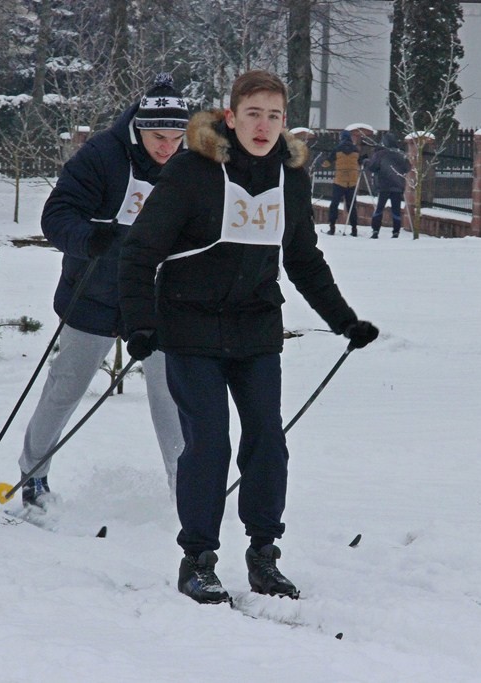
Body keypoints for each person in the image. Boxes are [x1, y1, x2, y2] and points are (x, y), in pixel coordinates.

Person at [118, 70, 379, 605]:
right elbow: (140, 253)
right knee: (209, 444)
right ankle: (198, 560)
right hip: (189, 329)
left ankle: (264, 556)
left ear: (286, 123)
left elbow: (303, 259)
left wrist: (343, 319)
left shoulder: (290, 177)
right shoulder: (192, 171)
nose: (264, 126)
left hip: (256, 330)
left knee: (268, 444)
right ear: (231, 117)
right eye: (254, 114)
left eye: (275, 116)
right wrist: (140, 325)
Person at [18, 73, 189, 510]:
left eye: (176, 137)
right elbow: (57, 214)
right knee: (67, 385)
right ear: (138, 127)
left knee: (169, 394)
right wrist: (88, 239)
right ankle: (33, 476)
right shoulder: (102, 155)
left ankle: (184, 489)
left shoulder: (193, 165)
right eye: (158, 137)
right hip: (94, 289)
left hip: (157, 297)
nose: (167, 147)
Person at [366, 132, 411, 238]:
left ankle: (375, 230)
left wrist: (366, 162)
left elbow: (373, 167)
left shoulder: (380, 154)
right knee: (396, 210)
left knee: (379, 208)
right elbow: (407, 168)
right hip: (397, 186)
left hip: (383, 185)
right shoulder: (401, 154)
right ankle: (396, 231)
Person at [321, 129, 362, 236]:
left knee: (334, 204)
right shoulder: (356, 150)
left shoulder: (337, 149)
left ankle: (332, 227)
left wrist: (324, 159)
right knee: (351, 205)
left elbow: (326, 163)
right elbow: (360, 163)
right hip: (352, 182)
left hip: (339, 181)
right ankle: (354, 229)